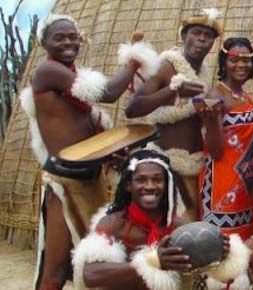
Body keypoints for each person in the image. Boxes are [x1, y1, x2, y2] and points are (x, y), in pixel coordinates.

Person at [20, 14, 154, 290]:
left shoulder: (70, 80)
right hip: (64, 184)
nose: (68, 42)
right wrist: (133, 59)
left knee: (88, 262)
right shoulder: (46, 73)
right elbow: (107, 92)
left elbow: (85, 135)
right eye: (59, 37)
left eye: (72, 36)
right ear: (44, 43)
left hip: (89, 180)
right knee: (55, 270)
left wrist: (113, 152)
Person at [71, 150, 250, 290]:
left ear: (167, 184)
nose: (149, 186)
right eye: (141, 180)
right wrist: (152, 261)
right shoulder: (113, 224)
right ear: (128, 184)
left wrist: (221, 255)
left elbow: (206, 269)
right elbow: (90, 274)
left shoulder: (180, 227)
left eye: (157, 180)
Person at [126, 8, 223, 220]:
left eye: (207, 36)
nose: (201, 39)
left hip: (195, 166)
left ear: (213, 43)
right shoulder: (166, 67)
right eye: (196, 33)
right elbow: (133, 108)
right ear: (183, 36)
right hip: (168, 165)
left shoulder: (204, 74)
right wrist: (173, 90)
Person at [198, 37, 253, 239]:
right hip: (222, 179)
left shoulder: (246, 97)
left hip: (246, 181)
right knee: (221, 240)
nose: (241, 65)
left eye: (246, 60)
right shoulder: (215, 95)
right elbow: (215, 151)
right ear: (224, 62)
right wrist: (211, 118)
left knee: (244, 238)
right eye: (234, 59)